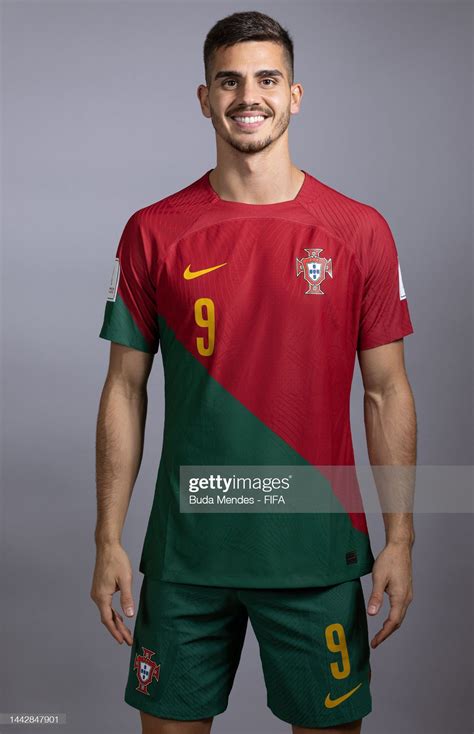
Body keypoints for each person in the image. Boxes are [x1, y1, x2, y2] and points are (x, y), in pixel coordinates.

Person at [91, 10, 416, 734]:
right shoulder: (154, 230)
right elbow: (124, 387)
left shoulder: (358, 230)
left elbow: (386, 389)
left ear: (294, 95)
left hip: (315, 553)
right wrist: (107, 536)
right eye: (229, 80)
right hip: (187, 554)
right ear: (204, 98)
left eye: (268, 79)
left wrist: (400, 538)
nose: (249, 96)